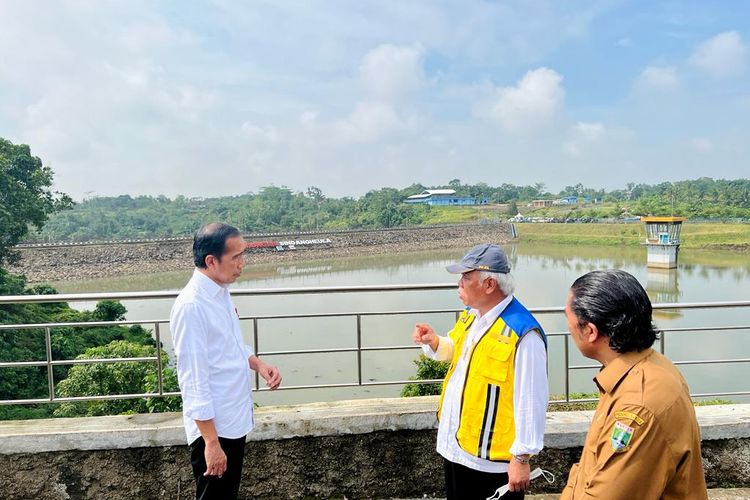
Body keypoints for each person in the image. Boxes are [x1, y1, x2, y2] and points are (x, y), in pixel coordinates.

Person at [412, 243, 548, 500]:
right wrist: (434, 342)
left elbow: (532, 399)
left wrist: (521, 457)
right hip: (458, 446)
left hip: (492, 462)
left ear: (489, 285)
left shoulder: (522, 333)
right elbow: (457, 351)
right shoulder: (472, 315)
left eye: (466, 277)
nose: (459, 284)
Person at [561, 270, 707, 499]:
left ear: (590, 331)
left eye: (567, 319)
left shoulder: (638, 405)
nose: (568, 328)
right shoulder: (641, 369)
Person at [170, 222, 282, 500]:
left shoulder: (219, 291)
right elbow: (193, 380)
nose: (242, 263)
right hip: (214, 428)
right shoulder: (192, 306)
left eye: (244, 255)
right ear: (211, 261)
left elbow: (230, 345)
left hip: (232, 420)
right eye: (236, 257)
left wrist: (258, 364)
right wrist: (210, 442)